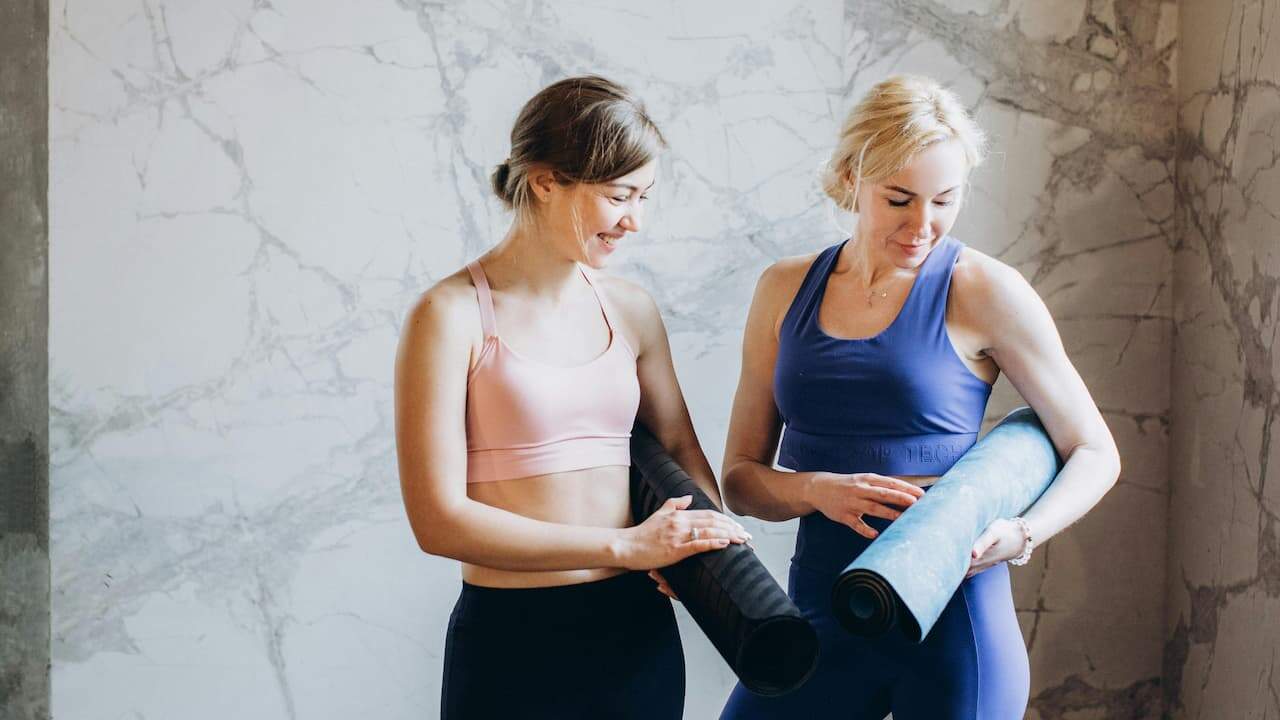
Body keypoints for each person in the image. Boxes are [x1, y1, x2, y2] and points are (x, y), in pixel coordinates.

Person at [716, 75, 1122, 720]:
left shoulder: (987, 289)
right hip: (822, 605)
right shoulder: (784, 288)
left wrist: (1021, 533)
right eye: (899, 199)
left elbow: (1095, 449)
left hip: (956, 618)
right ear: (852, 178)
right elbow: (740, 480)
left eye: (944, 200)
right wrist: (815, 490)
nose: (922, 225)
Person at [394, 75, 750, 719]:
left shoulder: (632, 310)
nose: (634, 220)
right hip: (510, 638)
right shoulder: (448, 316)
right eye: (619, 196)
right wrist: (623, 547)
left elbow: (678, 449)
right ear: (545, 179)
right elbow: (436, 520)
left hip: (634, 632)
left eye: (644, 197)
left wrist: (702, 549)